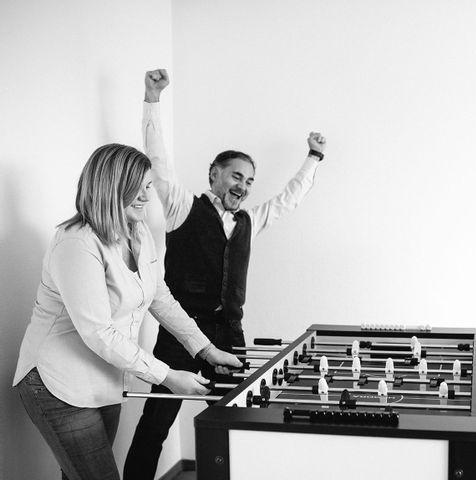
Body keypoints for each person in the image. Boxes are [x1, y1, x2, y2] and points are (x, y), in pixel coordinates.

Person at [124, 69, 327, 479]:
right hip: (180, 332)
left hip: (229, 334)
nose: (243, 186)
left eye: (249, 181)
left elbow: (288, 199)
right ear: (214, 173)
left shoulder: (250, 220)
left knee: (239, 423)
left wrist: (313, 157)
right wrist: (152, 99)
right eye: (236, 176)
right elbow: (158, 161)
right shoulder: (182, 206)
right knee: (155, 423)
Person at [12, 143, 243, 480]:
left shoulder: (138, 232)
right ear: (111, 186)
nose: (147, 196)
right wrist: (167, 376)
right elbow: (99, 332)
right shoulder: (76, 243)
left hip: (103, 377)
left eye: (149, 186)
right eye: (139, 187)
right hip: (57, 383)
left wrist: (206, 349)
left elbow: (160, 297)